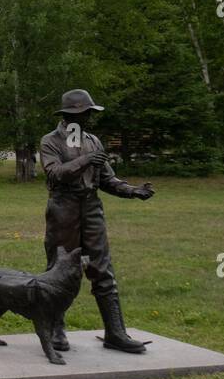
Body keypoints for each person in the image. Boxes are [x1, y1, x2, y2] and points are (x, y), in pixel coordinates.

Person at [39, 89, 155, 353]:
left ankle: (115, 331)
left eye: (89, 114)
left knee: (102, 268)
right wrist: (85, 160)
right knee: (60, 267)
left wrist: (132, 190)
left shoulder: (94, 141)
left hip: (91, 207)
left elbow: (106, 179)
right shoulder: (51, 141)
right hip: (63, 208)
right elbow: (55, 173)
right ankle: (55, 329)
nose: (88, 119)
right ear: (70, 115)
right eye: (85, 114)